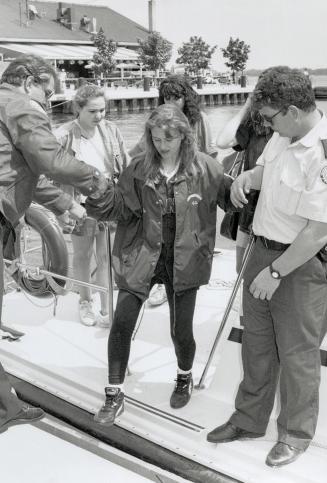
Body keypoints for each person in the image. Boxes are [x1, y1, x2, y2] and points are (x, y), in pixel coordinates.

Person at [207, 66, 327, 468]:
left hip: (299, 264)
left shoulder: (322, 151)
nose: (267, 125)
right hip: (261, 249)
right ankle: (249, 420)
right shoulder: (282, 134)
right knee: (256, 343)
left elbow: (318, 232)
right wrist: (248, 180)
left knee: (298, 354)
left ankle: (295, 434)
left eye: (272, 117)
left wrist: (275, 273)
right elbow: (266, 170)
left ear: (293, 111)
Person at [86, 103, 232, 426]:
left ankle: (184, 375)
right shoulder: (138, 168)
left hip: (185, 260)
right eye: (154, 138)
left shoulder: (207, 169)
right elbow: (120, 209)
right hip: (142, 254)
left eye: (167, 139)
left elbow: (233, 201)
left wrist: (250, 190)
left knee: (181, 330)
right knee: (121, 322)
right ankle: (114, 392)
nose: (160, 145)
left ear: (183, 136)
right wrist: (96, 195)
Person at [0, 54, 108, 432]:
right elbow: (50, 160)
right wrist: (95, 181)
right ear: (29, 81)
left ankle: (4, 406)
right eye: (47, 90)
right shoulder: (20, 106)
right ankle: (4, 410)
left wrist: (67, 206)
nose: (48, 100)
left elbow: (26, 169)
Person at [130, 74, 218, 307]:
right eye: (166, 97)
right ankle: (159, 283)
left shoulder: (201, 120)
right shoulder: (158, 122)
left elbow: (210, 153)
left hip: (192, 185)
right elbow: (139, 151)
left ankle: (181, 282)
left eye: (176, 97)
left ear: (185, 98)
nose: (171, 102)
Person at [54, 84, 129, 327]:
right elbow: (48, 168)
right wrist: (60, 207)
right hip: (80, 204)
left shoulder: (111, 130)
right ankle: (85, 301)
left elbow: (125, 165)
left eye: (102, 111)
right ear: (78, 109)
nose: (99, 116)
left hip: (109, 202)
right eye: (93, 111)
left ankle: (107, 305)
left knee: (106, 256)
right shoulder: (64, 135)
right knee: (83, 256)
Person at [217, 95, 272, 272]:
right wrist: (246, 107)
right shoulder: (254, 126)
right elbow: (222, 142)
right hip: (249, 208)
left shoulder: (288, 131)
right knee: (241, 268)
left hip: (276, 207)